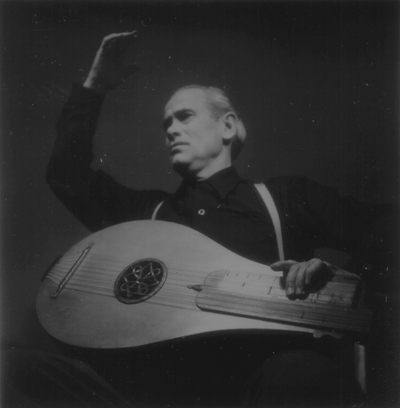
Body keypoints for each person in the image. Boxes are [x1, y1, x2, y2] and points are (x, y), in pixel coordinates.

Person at [5, 31, 397, 408]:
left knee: (301, 374)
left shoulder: (286, 196)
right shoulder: (150, 214)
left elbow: (385, 227)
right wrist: (94, 88)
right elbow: (67, 177)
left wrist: (346, 278)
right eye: (166, 124)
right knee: (12, 364)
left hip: (258, 382)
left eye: (185, 116)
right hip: (153, 392)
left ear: (227, 125)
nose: (172, 130)